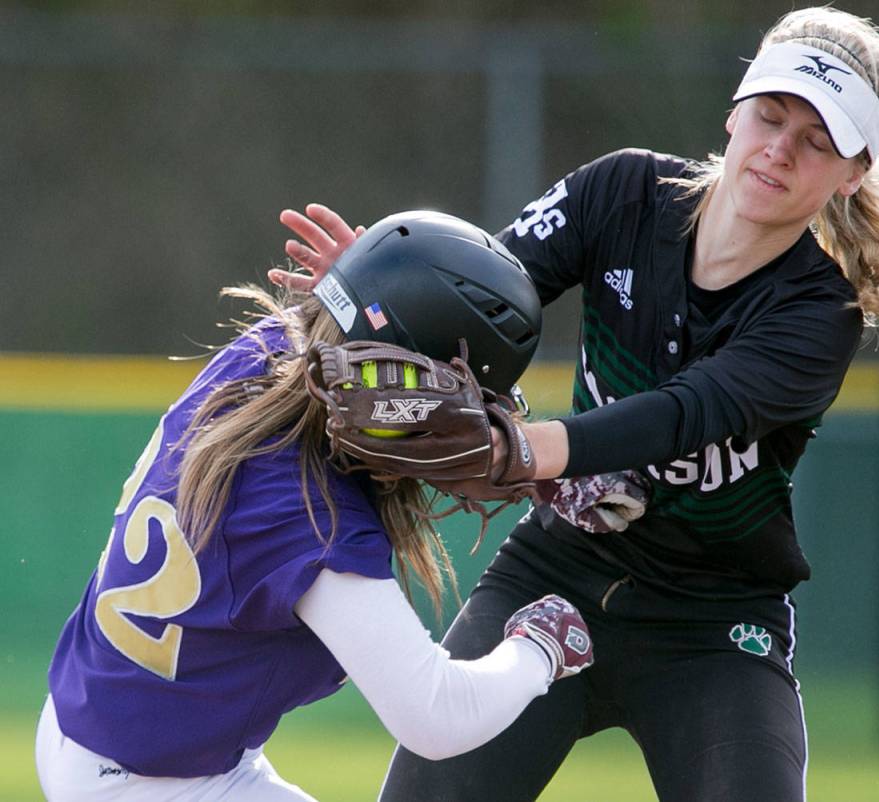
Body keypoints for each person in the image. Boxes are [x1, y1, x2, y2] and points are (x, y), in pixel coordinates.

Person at [275, 7, 879, 801]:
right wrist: (392, 303)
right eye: (770, 116)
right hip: (554, 572)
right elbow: (484, 297)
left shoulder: (816, 312)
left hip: (711, 623)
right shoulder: (624, 192)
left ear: (854, 172)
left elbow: (685, 412)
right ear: (735, 112)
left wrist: (521, 452)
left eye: (817, 140)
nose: (779, 148)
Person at [34, 210, 595, 801]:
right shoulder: (310, 516)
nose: (475, 429)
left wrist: (375, 287)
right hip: (147, 782)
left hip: (96, 727)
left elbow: (343, 351)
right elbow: (437, 716)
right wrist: (539, 646)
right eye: (469, 403)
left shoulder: (263, 352)